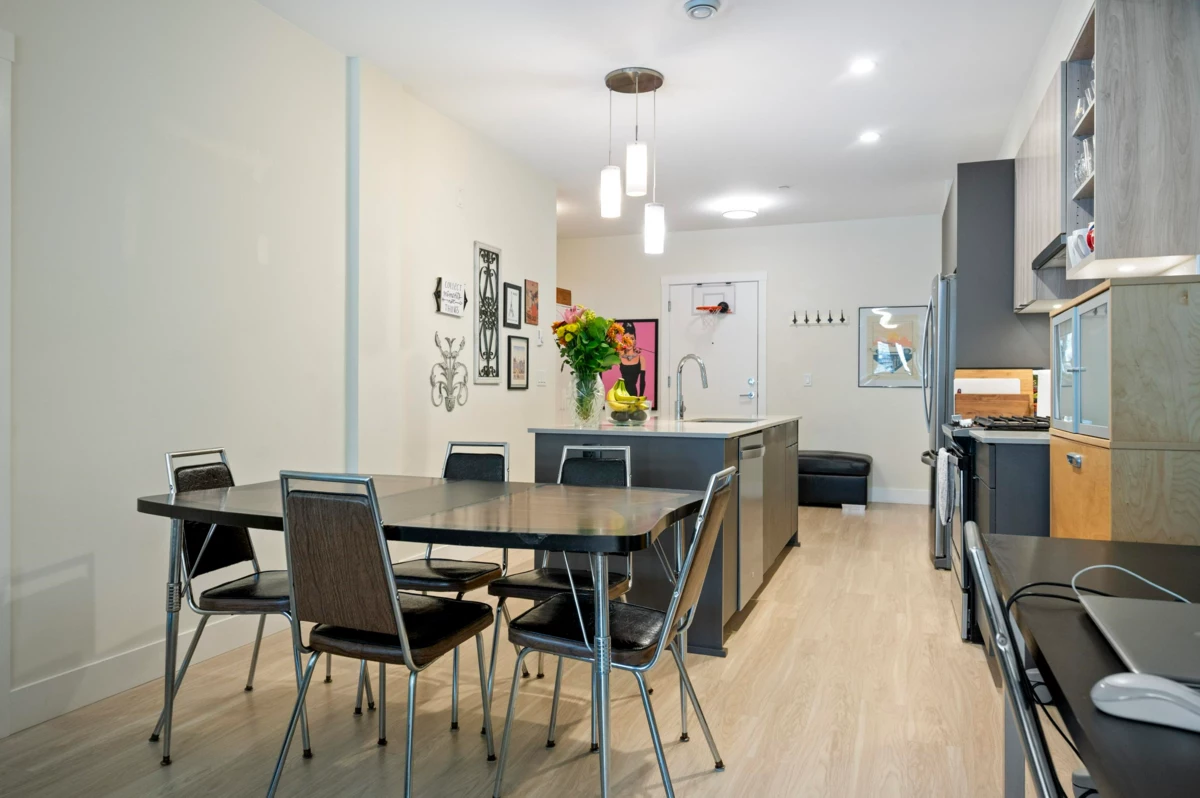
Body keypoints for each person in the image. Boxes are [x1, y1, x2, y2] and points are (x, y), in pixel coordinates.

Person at [617, 320, 646, 397]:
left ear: (635, 341)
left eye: (632, 338)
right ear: (623, 341)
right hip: (621, 394)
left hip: (633, 395)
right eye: (626, 339)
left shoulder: (641, 359)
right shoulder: (619, 356)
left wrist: (640, 398)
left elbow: (642, 382)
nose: (629, 342)